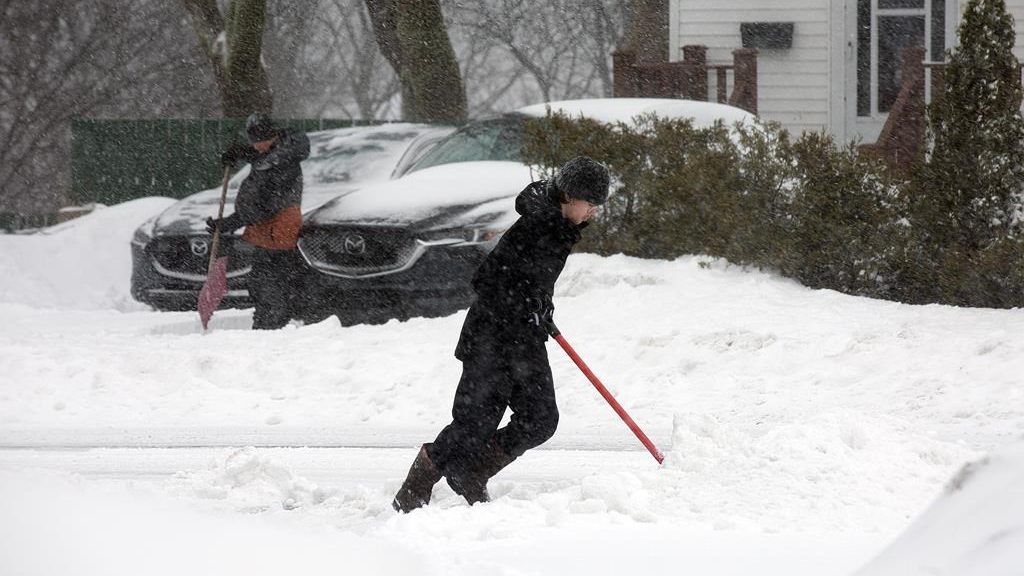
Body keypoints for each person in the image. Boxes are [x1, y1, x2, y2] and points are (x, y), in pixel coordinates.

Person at [392, 156, 610, 512]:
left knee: (540, 418)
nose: (593, 213)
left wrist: (540, 305)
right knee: (474, 423)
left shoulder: (558, 225)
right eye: (591, 204)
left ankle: (470, 472)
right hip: (492, 338)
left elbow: (530, 279)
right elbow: (488, 279)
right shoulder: (540, 225)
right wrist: (526, 304)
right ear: (571, 196)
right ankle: (414, 489)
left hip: (523, 338)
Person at [206, 113, 311, 330]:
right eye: (253, 142)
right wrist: (241, 152)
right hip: (269, 228)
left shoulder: (281, 163)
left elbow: (262, 206)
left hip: (278, 228)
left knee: (268, 282)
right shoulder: (276, 153)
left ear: (271, 136)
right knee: (263, 281)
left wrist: (229, 224)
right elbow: (265, 156)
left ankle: (270, 326)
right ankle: (269, 322)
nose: (257, 146)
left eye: (259, 142)